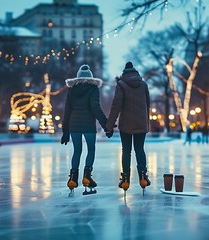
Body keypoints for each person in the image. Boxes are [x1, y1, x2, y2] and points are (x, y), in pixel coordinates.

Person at [61, 64, 109, 196]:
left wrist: (65, 131)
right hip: (88, 125)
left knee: (77, 150)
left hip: (74, 125)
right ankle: (87, 176)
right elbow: (95, 107)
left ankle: (72, 178)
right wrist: (105, 124)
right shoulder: (93, 88)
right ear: (91, 77)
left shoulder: (72, 89)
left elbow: (67, 111)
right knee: (91, 149)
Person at [106, 61, 151, 195]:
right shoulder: (143, 84)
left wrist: (109, 126)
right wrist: (145, 121)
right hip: (141, 124)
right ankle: (143, 176)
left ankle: (125, 179)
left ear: (124, 72)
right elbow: (148, 104)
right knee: (139, 149)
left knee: (126, 151)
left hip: (126, 124)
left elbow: (116, 105)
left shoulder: (121, 84)